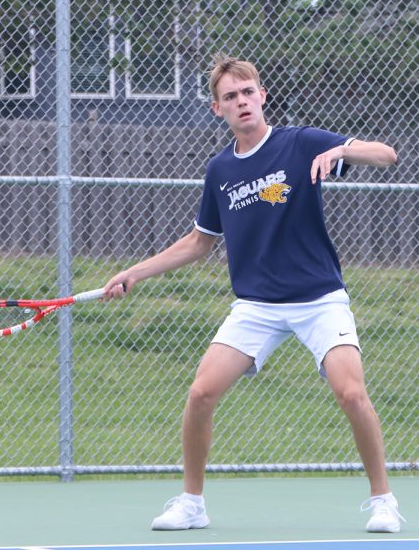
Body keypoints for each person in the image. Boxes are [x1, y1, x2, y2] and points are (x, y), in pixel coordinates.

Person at [102, 53, 402, 533]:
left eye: (247, 93)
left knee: (350, 392)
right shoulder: (220, 170)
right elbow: (200, 241)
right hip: (257, 306)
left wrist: (343, 152)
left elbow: (386, 154)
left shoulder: (300, 143)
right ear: (217, 109)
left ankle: (383, 500)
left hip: (319, 298)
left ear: (262, 97)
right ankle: (192, 503)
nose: (241, 102)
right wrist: (136, 271)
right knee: (201, 393)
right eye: (230, 97)